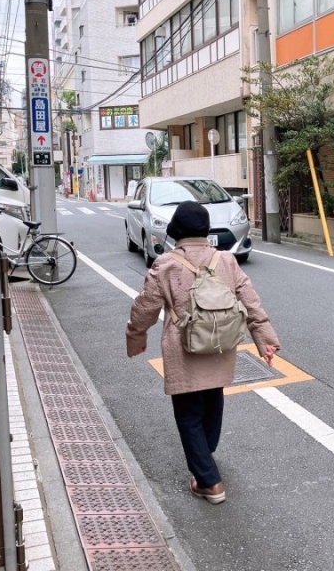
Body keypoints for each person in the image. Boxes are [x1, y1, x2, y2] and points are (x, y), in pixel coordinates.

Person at [126, 201, 280, 505]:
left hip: (184, 347)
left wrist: (136, 337)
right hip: (221, 344)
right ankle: (205, 459)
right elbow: (250, 300)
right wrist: (265, 338)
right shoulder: (226, 260)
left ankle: (209, 482)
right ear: (205, 229)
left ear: (175, 231)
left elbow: (145, 307)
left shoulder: (166, 264)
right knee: (212, 401)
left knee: (188, 415)